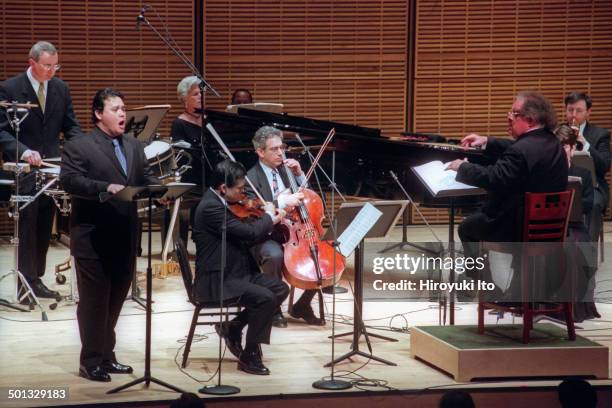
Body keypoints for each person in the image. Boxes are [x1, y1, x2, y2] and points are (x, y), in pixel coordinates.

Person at [60, 88, 158, 382]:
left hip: (125, 236)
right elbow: (70, 180)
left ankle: (106, 354)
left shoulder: (134, 145)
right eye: (115, 109)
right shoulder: (80, 145)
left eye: (124, 109)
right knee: (94, 302)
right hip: (93, 237)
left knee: (116, 299)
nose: (122, 114)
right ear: (98, 113)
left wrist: (160, 191)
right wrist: (104, 187)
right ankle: (90, 360)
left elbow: (144, 178)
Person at [0, 41, 81, 299]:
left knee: (45, 224)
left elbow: (71, 127)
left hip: (51, 168)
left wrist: (83, 149)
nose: (52, 71)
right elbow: (1, 130)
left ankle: (37, 279)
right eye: (47, 65)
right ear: (31, 62)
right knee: (28, 224)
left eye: (55, 65)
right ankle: (25, 282)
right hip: (23, 168)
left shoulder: (61, 88)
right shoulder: (10, 88)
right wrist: (23, 150)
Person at [192, 160, 289, 375]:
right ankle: (250, 355)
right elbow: (250, 233)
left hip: (236, 271)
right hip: (217, 279)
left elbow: (242, 233)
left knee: (280, 289)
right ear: (223, 188)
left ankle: (233, 326)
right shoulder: (210, 207)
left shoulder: (221, 202)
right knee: (265, 298)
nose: (243, 193)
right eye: (239, 189)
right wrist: (269, 217)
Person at [246, 126, 325, 327]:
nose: (281, 153)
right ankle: (273, 308)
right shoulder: (250, 178)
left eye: (282, 147)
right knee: (274, 255)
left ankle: (303, 305)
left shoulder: (286, 169)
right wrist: (282, 202)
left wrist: (299, 175)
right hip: (268, 234)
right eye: (274, 149)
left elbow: (307, 197)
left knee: (325, 253)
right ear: (260, 152)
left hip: (296, 231)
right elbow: (255, 212)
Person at [555, 124, 599, 321]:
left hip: (574, 226)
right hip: (552, 225)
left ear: (572, 149)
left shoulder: (583, 173)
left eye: (565, 148)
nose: (562, 152)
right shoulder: (547, 172)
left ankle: (574, 307)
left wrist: (576, 200)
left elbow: (589, 203)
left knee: (577, 249)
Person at [162, 76, 212, 246]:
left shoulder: (208, 120)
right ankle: (181, 246)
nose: (200, 97)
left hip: (208, 173)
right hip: (190, 176)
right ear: (185, 99)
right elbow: (180, 155)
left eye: (201, 94)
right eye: (196, 94)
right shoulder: (179, 123)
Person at [564, 92, 611, 242]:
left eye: (578, 111)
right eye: (570, 110)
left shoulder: (600, 134)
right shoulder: (557, 131)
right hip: (563, 184)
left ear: (588, 112)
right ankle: (555, 256)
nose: (573, 115)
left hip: (592, 186)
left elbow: (604, 166)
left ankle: (587, 261)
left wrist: (585, 143)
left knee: (594, 203)